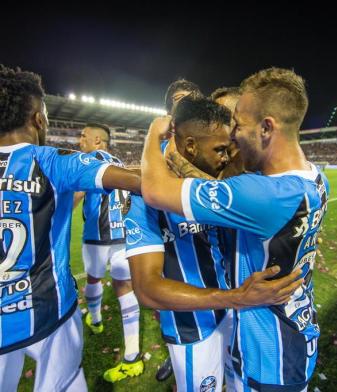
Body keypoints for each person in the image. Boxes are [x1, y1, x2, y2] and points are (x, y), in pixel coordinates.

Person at [141, 67, 329, 392]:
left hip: (266, 353)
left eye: (238, 125)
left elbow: (155, 190)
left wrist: (154, 136)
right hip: (294, 334)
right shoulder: (315, 178)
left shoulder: (262, 194)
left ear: (266, 128)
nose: (232, 136)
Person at [0, 64, 140, 391]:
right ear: (39, 119)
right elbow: (134, 181)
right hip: (49, 313)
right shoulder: (53, 159)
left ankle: (98, 318)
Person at [77, 123, 143, 383]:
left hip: (96, 236)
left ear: (97, 141)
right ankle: (133, 356)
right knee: (124, 286)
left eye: (83, 136)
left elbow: (78, 192)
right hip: (122, 234)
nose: (79, 140)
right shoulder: (118, 162)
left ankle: (95, 319)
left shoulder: (87, 160)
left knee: (93, 280)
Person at [156, 77, 204, 382]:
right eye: (178, 101)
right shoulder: (159, 148)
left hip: (212, 238)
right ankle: (174, 356)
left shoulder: (213, 142)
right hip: (174, 238)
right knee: (172, 301)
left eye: (189, 99)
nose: (184, 104)